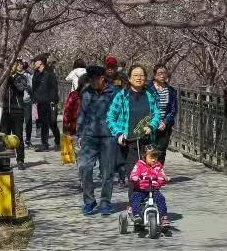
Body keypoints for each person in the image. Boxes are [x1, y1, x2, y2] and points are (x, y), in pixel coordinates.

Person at [107, 64, 161, 196]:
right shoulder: (122, 95)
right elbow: (110, 117)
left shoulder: (150, 95)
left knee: (150, 176)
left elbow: (157, 114)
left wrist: (152, 126)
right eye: (135, 75)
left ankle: (150, 204)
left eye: (141, 75)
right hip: (129, 142)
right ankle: (135, 206)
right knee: (134, 175)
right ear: (130, 79)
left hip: (147, 142)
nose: (139, 78)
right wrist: (118, 133)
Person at [76, 65, 119, 216]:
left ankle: (105, 202)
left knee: (107, 172)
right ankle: (89, 200)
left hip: (109, 136)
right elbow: (82, 112)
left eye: (93, 80)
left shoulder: (115, 92)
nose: (90, 83)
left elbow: (120, 112)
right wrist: (79, 133)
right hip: (89, 135)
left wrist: (118, 132)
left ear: (102, 79)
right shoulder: (86, 92)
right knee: (84, 168)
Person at [129, 145, 170, 227]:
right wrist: (135, 177)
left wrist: (165, 178)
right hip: (141, 189)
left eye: (155, 157)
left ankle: (163, 217)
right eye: (151, 157)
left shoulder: (158, 166)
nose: (154, 160)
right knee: (135, 198)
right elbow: (134, 173)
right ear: (144, 156)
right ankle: (136, 215)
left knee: (161, 199)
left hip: (154, 189)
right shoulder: (139, 164)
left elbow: (161, 174)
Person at [148, 64, 178, 164]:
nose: (162, 75)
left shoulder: (171, 91)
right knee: (149, 150)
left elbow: (173, 109)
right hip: (150, 124)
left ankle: (158, 173)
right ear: (154, 74)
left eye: (164, 73)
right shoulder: (148, 88)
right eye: (160, 73)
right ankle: (147, 174)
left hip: (164, 125)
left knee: (161, 151)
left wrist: (165, 122)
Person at [2, 62, 28, 169]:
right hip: (4, 111)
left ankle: (20, 160)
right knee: (4, 136)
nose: (18, 66)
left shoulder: (21, 77)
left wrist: (13, 79)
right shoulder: (3, 77)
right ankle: (5, 160)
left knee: (18, 136)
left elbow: (21, 88)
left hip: (17, 110)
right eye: (15, 64)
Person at [32, 53, 60, 151]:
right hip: (39, 101)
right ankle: (45, 144)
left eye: (35, 62)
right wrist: (34, 99)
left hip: (49, 102)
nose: (34, 64)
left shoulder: (49, 73)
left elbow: (54, 88)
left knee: (52, 123)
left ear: (40, 63)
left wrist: (53, 100)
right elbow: (34, 87)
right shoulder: (36, 73)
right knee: (43, 123)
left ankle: (57, 139)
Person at [20, 60, 34, 148]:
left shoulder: (28, 75)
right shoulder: (14, 75)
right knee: (20, 122)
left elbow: (31, 87)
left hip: (27, 100)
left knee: (28, 120)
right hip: (18, 101)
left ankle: (28, 139)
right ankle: (20, 139)